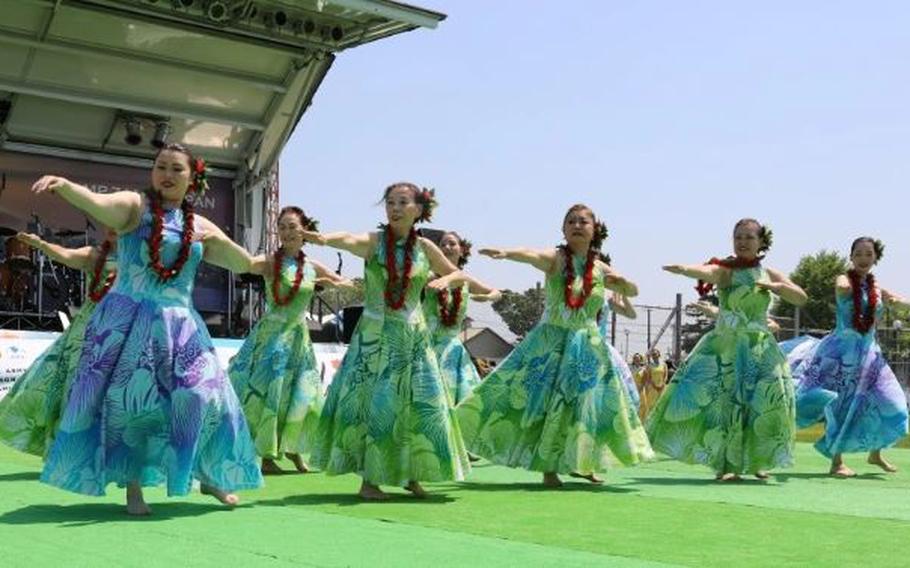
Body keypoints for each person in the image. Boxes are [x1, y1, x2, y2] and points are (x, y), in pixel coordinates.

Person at [30, 143, 262, 515]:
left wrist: (234, 247)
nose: (166, 175)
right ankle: (133, 487)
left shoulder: (199, 227)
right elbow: (98, 203)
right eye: (160, 167)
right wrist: (68, 187)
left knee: (204, 397)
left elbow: (244, 262)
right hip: (128, 321)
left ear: (192, 179)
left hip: (181, 325)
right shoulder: (135, 207)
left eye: (176, 169)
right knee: (130, 404)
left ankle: (208, 474)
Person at [457, 204, 653, 488]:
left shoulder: (600, 268)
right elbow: (532, 254)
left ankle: (583, 462)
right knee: (544, 403)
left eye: (583, 221)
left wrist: (625, 284)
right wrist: (507, 253)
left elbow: (632, 290)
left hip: (588, 346)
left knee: (585, 406)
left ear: (594, 229)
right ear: (563, 230)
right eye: (571, 221)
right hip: (551, 342)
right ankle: (548, 466)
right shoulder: (556, 259)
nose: (577, 225)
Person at [304, 183, 470, 500]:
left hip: (413, 336)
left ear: (418, 210)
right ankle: (370, 479)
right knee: (376, 405)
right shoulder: (375, 242)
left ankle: (412, 474)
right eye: (390, 202)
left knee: (416, 406)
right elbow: (349, 240)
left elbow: (456, 275)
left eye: (402, 202)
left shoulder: (424, 248)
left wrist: (446, 279)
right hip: (375, 335)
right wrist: (325, 239)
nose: (394, 208)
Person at [649, 218, 807, 481]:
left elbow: (800, 297)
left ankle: (758, 460)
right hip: (728, 347)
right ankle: (727, 465)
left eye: (749, 237)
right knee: (726, 404)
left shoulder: (770, 273)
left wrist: (775, 287)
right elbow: (708, 272)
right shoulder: (726, 270)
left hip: (760, 348)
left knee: (764, 404)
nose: (743, 242)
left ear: (761, 242)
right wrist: (684, 269)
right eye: (738, 237)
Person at [229, 206, 351, 475]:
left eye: (292, 226)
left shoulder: (311, 266)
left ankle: (294, 449)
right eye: (282, 226)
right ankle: (266, 455)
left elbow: (337, 280)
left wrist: (341, 284)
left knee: (302, 395)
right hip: (272, 336)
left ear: (304, 230)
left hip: (299, 338)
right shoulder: (271, 262)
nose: (286, 231)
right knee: (271, 393)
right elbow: (247, 263)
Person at [793, 237, 909, 477]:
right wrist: (852, 287)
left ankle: (875, 453)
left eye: (868, 254)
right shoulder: (844, 278)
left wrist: (897, 302)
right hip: (841, 354)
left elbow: (901, 303)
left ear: (875, 258)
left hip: (870, 354)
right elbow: (842, 287)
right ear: (852, 257)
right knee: (841, 406)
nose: (863, 259)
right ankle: (837, 462)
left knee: (891, 404)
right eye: (858, 254)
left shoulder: (878, 287)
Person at [0, 229, 117, 456]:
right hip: (89, 329)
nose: (113, 229)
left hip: (126, 329)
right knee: (75, 385)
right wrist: (41, 244)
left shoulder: (145, 260)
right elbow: (65, 254)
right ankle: (66, 448)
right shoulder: (95, 255)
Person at [423, 231, 500, 405]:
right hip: (426, 346)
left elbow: (497, 293)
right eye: (442, 244)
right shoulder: (428, 276)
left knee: (460, 404)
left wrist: (488, 297)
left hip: (452, 350)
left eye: (452, 244)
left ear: (462, 250)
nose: (446, 247)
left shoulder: (466, 280)